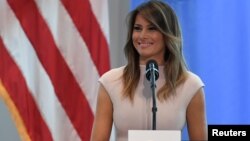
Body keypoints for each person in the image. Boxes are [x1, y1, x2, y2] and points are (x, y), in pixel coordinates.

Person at [90, 0, 208, 141]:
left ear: (167, 34)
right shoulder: (110, 81)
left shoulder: (191, 85)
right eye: (138, 28)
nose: (142, 35)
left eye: (152, 28)